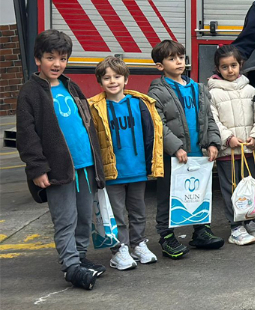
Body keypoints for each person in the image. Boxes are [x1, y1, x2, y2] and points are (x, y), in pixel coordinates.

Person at [16, 30, 106, 290]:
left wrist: (97, 161)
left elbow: (86, 124)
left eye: (62, 58)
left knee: (84, 217)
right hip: (58, 169)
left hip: (85, 164)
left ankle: (80, 256)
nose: (57, 64)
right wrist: (37, 168)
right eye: (50, 58)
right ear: (37, 59)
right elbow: (27, 135)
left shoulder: (71, 86)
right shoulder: (30, 92)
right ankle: (71, 267)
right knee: (65, 219)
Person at [148, 40, 224, 259]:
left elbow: (208, 118)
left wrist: (212, 142)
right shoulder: (157, 91)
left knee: (199, 192)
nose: (179, 62)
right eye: (171, 59)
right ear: (160, 66)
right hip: (172, 156)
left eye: (181, 57)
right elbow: (159, 125)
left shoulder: (198, 88)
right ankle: (166, 237)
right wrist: (176, 148)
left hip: (197, 153)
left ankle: (201, 231)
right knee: (168, 195)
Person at [88, 56, 162, 271]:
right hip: (113, 172)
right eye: (107, 78)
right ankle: (120, 250)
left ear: (126, 79)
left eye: (117, 77)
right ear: (100, 82)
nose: (112, 81)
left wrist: (151, 164)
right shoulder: (95, 108)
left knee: (139, 212)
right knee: (117, 215)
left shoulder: (140, 103)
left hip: (137, 169)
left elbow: (151, 135)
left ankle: (138, 244)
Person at [208, 45, 255, 246]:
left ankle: (250, 220)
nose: (230, 70)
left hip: (248, 149)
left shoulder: (251, 90)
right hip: (228, 151)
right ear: (218, 68)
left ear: (241, 65)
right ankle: (235, 227)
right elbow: (212, 120)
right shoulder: (213, 93)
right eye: (224, 67)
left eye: (233, 65)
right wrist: (228, 137)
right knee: (231, 189)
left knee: (249, 187)